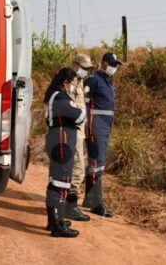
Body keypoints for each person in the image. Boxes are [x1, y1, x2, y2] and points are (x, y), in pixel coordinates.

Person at [43, 67, 85, 238]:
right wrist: (80, 110)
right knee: (60, 183)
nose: (73, 87)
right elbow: (81, 115)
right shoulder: (59, 97)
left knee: (58, 182)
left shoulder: (55, 95)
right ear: (65, 82)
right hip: (62, 141)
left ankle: (54, 220)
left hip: (61, 139)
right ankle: (57, 225)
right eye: (72, 84)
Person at [82, 52, 121, 217]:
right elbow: (85, 103)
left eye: (116, 65)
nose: (114, 68)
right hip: (95, 128)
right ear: (103, 64)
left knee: (97, 164)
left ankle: (89, 200)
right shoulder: (94, 80)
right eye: (112, 64)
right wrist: (88, 128)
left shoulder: (107, 81)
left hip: (105, 128)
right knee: (96, 165)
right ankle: (96, 204)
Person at [65, 54, 93, 222]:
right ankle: (71, 206)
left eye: (88, 69)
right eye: (83, 67)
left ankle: (68, 205)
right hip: (73, 131)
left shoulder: (80, 82)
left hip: (79, 131)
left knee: (76, 167)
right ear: (75, 65)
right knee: (77, 169)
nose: (85, 71)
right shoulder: (70, 83)